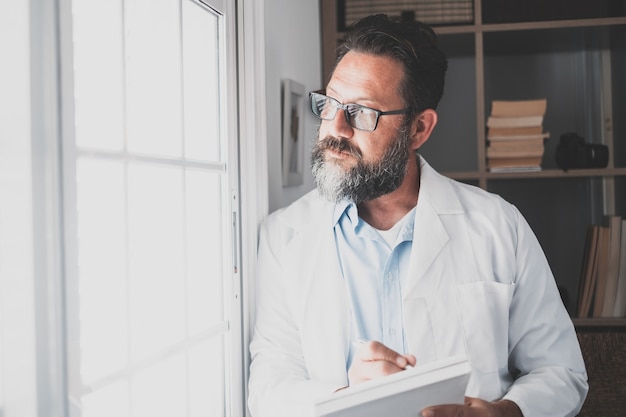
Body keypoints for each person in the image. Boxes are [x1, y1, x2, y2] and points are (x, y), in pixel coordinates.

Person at [248, 14, 588, 417]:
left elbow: (562, 371)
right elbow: (269, 388)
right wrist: (344, 394)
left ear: (419, 129)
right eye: (330, 104)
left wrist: (502, 413)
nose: (334, 128)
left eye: (361, 113)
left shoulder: (498, 225)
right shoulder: (283, 236)